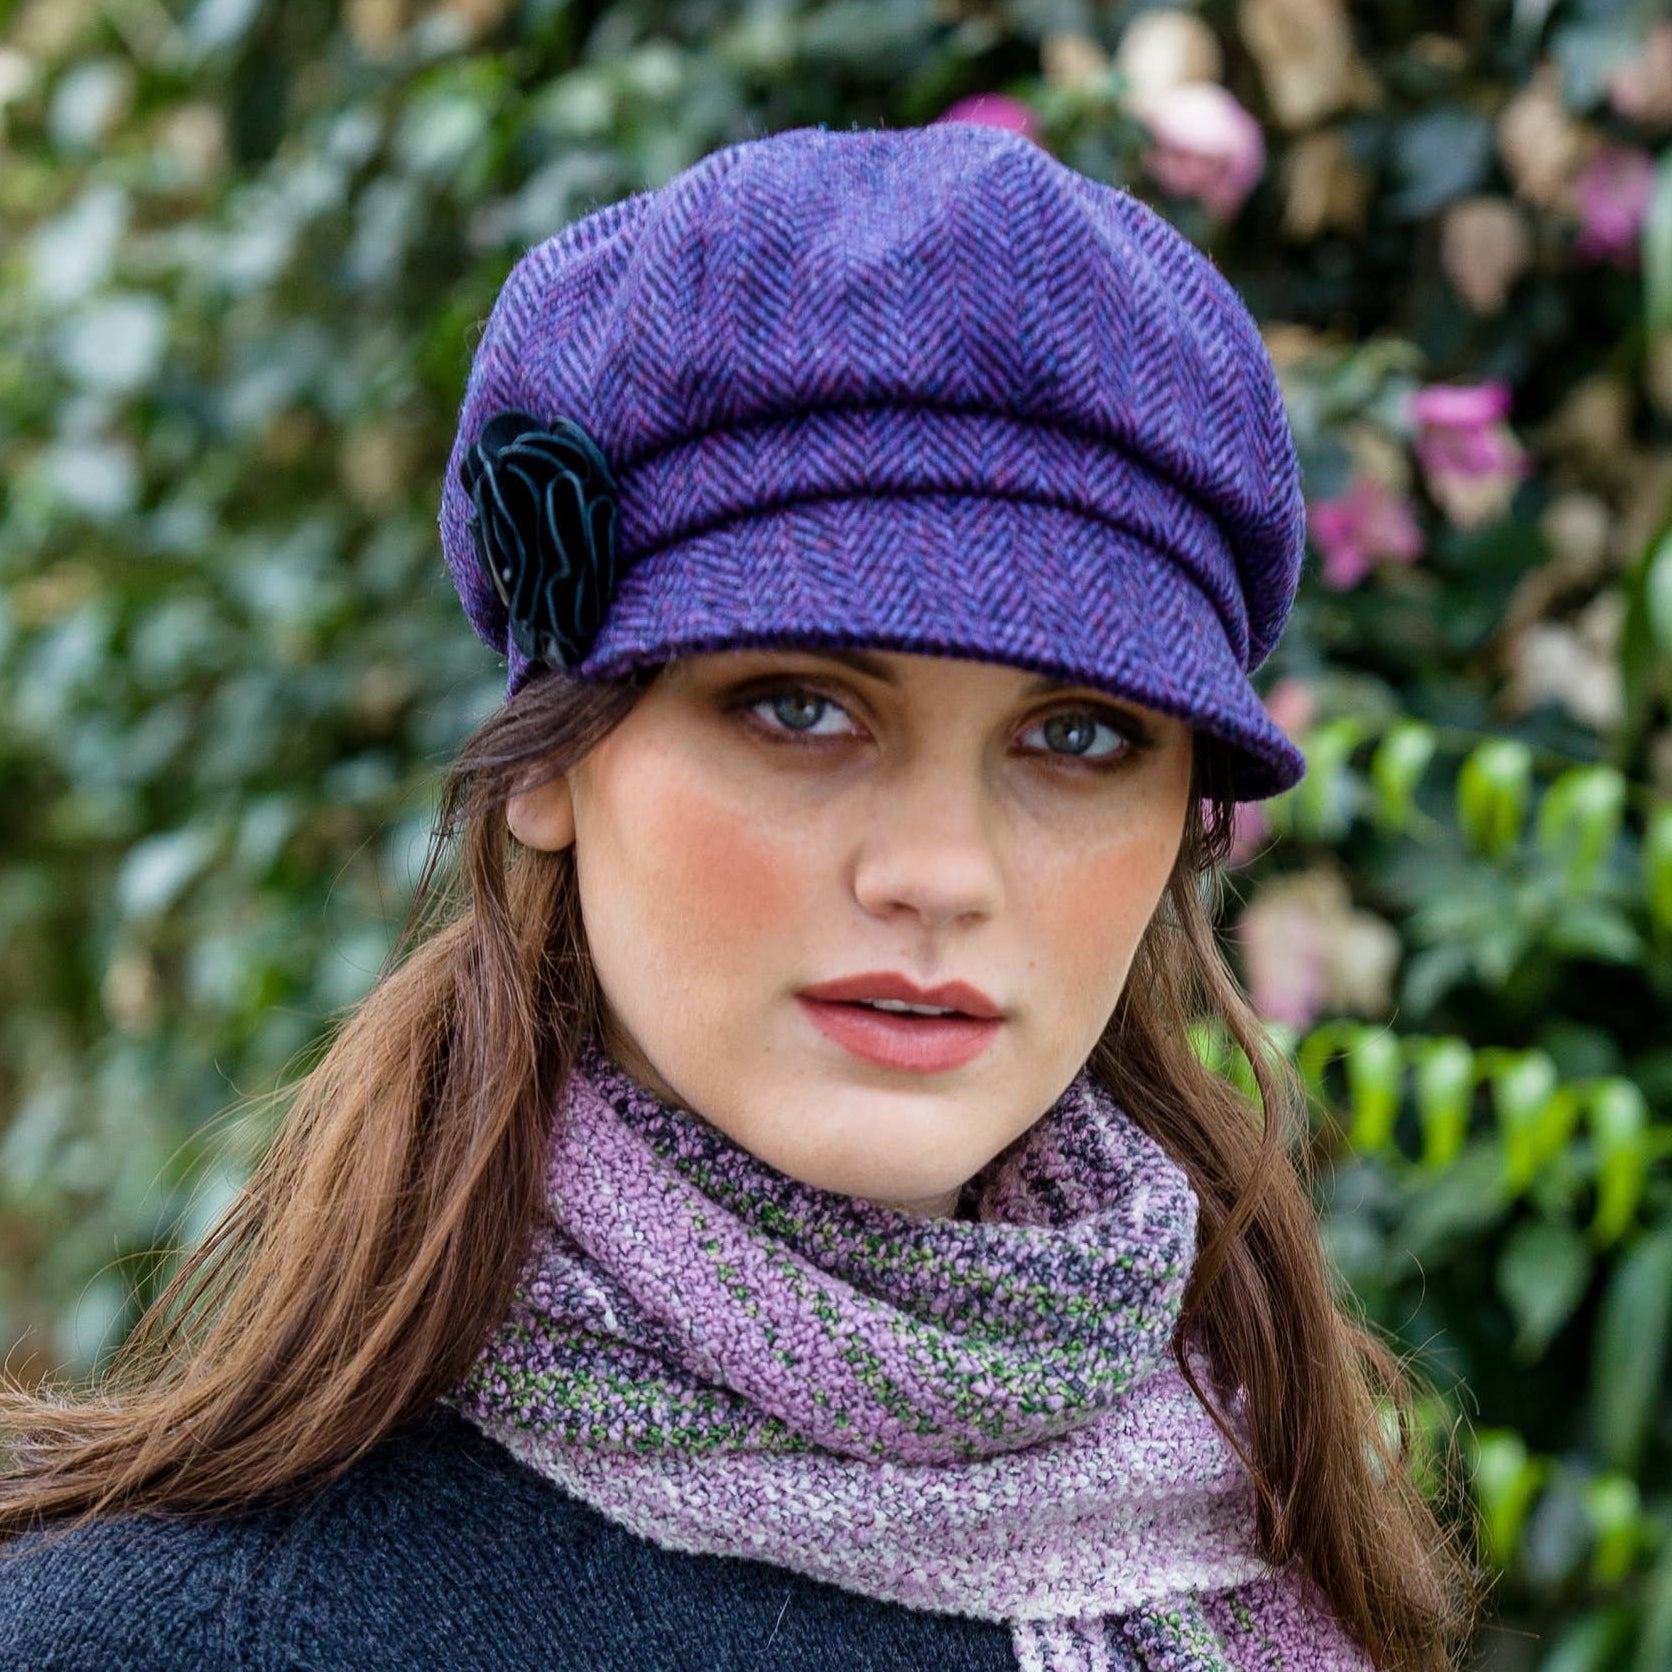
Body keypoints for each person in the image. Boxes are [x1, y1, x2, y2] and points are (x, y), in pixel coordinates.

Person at [0, 120, 1484, 1670]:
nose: (937, 876)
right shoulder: (170, 1639)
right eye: (798, 707)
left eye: (1079, 735)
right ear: (549, 761)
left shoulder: (1270, 1537)